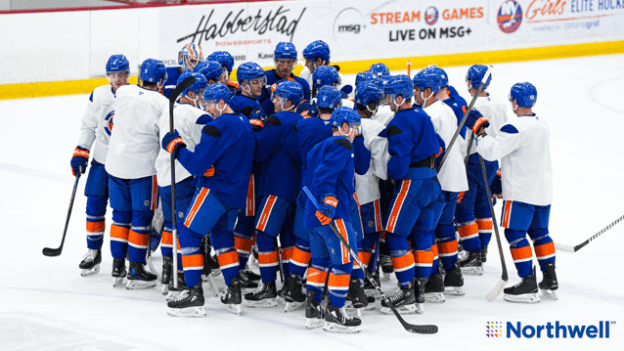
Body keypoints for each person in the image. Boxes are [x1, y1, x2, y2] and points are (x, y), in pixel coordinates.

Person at [164, 83, 256, 316]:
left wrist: (176, 147)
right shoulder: (243, 123)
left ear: (223, 103)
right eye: (204, 104)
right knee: (222, 237)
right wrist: (212, 164)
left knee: (188, 233)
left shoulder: (215, 127)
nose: (207, 109)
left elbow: (196, 165)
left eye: (210, 104)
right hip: (235, 195)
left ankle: (194, 293)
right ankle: (233, 291)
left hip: (215, 191)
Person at [473, 82, 557, 303]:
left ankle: (528, 283)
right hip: (542, 191)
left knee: (515, 234)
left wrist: (481, 133)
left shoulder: (513, 128)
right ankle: (550, 278)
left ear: (515, 102)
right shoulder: (542, 123)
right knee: (541, 233)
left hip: (521, 193)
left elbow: (491, 152)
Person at [380, 75, 443, 314]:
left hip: (413, 184)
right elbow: (439, 144)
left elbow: (400, 158)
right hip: (432, 182)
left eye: (389, 97)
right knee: (423, 235)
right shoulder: (422, 114)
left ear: (398, 98)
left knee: (395, 235)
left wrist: (392, 174)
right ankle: (419, 294)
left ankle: (405, 292)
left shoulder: (399, 122)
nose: (387, 102)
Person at [105, 58, 168, 289]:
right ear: (161, 80)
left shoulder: (124, 92)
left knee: (120, 216)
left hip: (115, 164)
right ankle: (136, 268)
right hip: (142, 169)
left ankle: (117, 264)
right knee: (141, 219)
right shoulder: (162, 102)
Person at [244, 80, 304, 307]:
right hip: (295, 188)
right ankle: (291, 284)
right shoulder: (303, 121)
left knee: (264, 233)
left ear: (289, 102)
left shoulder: (277, 120)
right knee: (289, 236)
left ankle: (268, 285)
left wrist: (254, 129)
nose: (274, 101)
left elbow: (259, 153)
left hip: (276, 187)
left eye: (278, 98)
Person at [283, 85, 342, 312]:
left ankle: (293, 286)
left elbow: (292, 152)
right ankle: (329, 290)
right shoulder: (341, 130)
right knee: (330, 242)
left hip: (307, 190)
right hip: (331, 195)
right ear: (337, 106)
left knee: (303, 239)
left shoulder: (305, 123)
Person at [304, 106, 362, 333]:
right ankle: (335, 313)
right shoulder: (343, 144)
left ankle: (313, 310)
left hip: (313, 215)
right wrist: (328, 202)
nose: (356, 133)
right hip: (333, 215)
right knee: (344, 262)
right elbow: (323, 176)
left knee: (319, 262)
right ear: (345, 127)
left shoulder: (317, 148)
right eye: (355, 128)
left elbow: (309, 178)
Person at [154, 71, 213, 296]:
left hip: (165, 178)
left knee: (172, 226)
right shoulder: (194, 113)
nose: (204, 98)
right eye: (200, 93)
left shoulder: (168, 111)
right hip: (183, 179)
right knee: (188, 229)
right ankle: (184, 275)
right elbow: (211, 140)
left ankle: (169, 270)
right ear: (189, 93)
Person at [413, 66, 468, 302]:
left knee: (428, 229)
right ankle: (453, 274)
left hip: (438, 180)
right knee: (445, 226)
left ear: (428, 90)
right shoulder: (445, 110)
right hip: (454, 178)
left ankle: (434, 279)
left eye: (416, 89)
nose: (413, 94)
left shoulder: (430, 115)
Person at [71, 54, 129, 277]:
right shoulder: (99, 94)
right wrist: (81, 151)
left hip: (125, 165)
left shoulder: (135, 96)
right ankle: (93, 251)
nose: (117, 79)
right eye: (112, 75)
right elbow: (88, 126)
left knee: (122, 212)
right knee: (94, 206)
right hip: (101, 161)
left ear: (128, 74)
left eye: (121, 74)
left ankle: (122, 256)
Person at [456, 64, 510, 274]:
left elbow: (463, 137)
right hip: (491, 160)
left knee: (464, 208)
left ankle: (472, 254)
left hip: (472, 160)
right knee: (484, 207)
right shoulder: (498, 103)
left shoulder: (468, 104)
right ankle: (483, 250)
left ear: (470, 82)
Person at [350, 82, 389, 310]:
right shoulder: (376, 128)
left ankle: (349, 280)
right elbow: (384, 170)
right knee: (368, 238)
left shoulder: (343, 120)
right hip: (368, 193)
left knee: (349, 237)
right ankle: (362, 280)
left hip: (345, 193)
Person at [229, 61, 267, 288]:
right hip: (250, 173)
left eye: (260, 80)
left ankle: (237, 265)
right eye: (254, 82)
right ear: (243, 84)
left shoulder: (239, 101)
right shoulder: (251, 108)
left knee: (245, 220)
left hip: (241, 171)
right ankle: (238, 269)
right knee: (246, 221)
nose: (260, 85)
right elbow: (256, 146)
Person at [258, 42, 311, 113]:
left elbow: (306, 109)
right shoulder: (263, 78)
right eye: (282, 62)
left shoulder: (302, 84)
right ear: (276, 61)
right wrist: (272, 95)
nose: (285, 66)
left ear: (294, 62)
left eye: (289, 62)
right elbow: (257, 107)